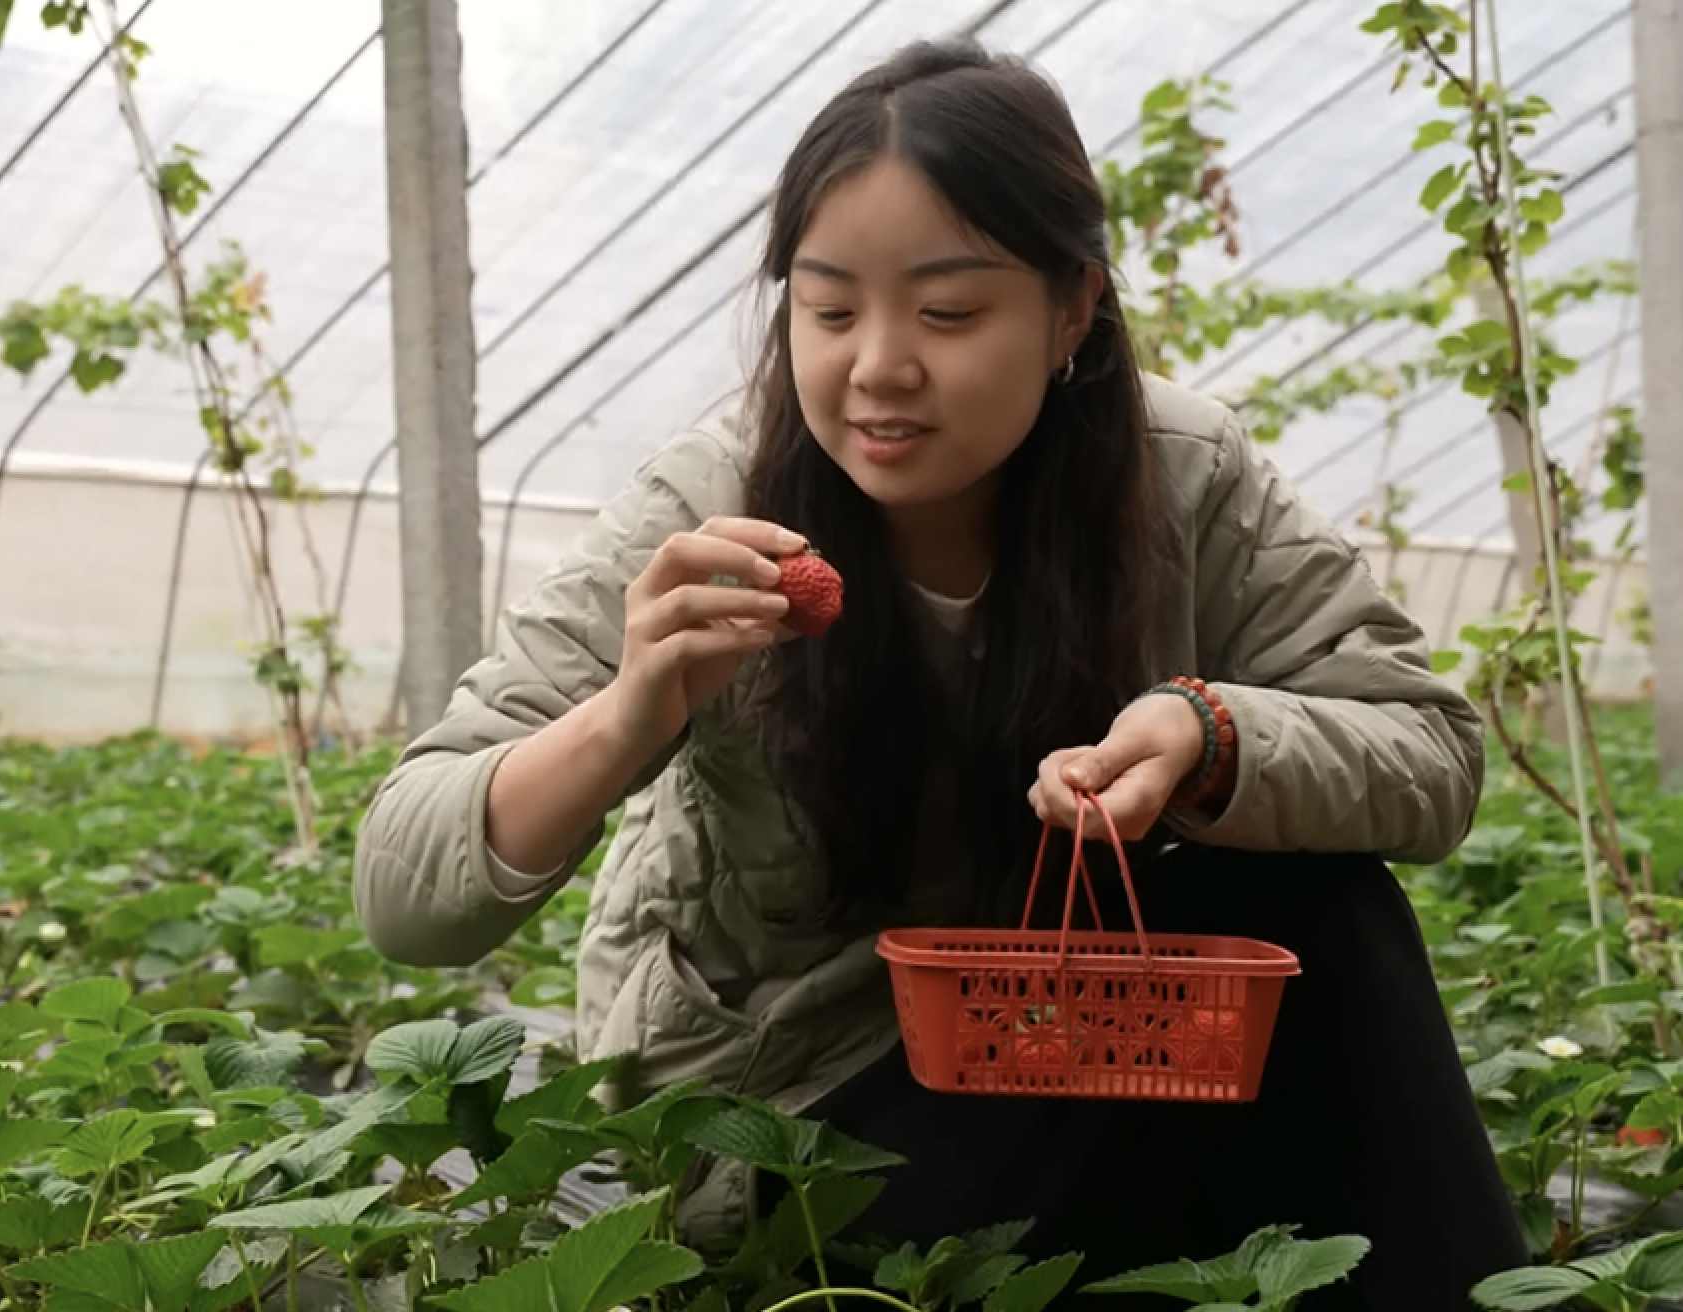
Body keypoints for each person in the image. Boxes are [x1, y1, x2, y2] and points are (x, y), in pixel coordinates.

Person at [352, 36, 1529, 1311]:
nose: (876, 367)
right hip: (800, 1134)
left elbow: (1429, 751)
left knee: (1321, 913)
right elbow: (406, 896)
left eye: (948, 311)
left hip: (1062, 1055)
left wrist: (1210, 734)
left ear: (1072, 309)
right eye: (829, 308)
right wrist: (628, 711)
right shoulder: (711, 515)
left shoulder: (1179, 477)